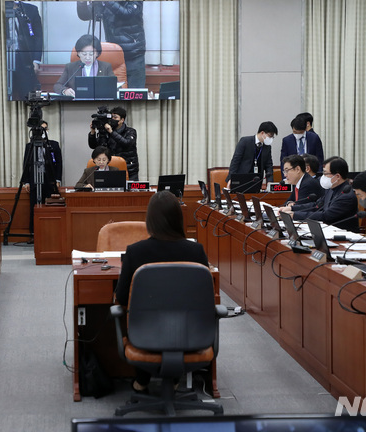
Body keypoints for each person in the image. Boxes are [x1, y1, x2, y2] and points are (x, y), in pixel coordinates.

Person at [114, 190, 209, 393]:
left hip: (144, 334)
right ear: (178, 218)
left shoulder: (135, 252)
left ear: (150, 220)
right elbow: (206, 298)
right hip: (191, 334)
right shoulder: (196, 251)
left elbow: (121, 298)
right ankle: (173, 379)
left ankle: (142, 380)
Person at [77, 1, 146, 88]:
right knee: (113, 95)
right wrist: (82, 3)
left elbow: (128, 13)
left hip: (134, 55)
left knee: (136, 96)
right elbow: (85, 15)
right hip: (114, 57)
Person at [280, 156, 359, 232]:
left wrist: (295, 215)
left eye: (325, 174)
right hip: (328, 232)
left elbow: (326, 216)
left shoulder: (346, 195)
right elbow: (316, 205)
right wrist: (292, 209)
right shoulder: (331, 189)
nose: (322, 177)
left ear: (337, 176)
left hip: (343, 239)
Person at [23, 120, 62, 233]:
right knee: (33, 207)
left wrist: (58, 179)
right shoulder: (30, 146)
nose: (43, 132)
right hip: (34, 179)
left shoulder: (53, 145)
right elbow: (26, 164)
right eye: (40, 129)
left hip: (50, 179)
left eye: (45, 129)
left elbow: (59, 163)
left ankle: (50, 232)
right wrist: (26, 181)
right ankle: (33, 233)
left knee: (49, 206)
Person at [88, 106, 139, 180]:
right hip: (111, 169)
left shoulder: (130, 131)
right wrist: (92, 133)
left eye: (115, 117)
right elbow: (94, 146)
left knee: (131, 191)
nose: (112, 119)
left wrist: (111, 132)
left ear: (122, 120)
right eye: (111, 117)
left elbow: (127, 144)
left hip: (129, 169)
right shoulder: (106, 132)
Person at [7, 1, 44, 100]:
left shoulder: (31, 10)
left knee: (28, 95)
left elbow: (38, 37)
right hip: (4, 59)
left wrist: (36, 60)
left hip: (25, 60)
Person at [225, 121, 277, 192]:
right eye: (270, 136)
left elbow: (269, 165)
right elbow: (235, 161)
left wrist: (270, 181)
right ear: (262, 133)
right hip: (242, 178)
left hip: (257, 180)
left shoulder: (267, 147)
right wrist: (231, 178)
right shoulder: (245, 141)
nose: (271, 139)